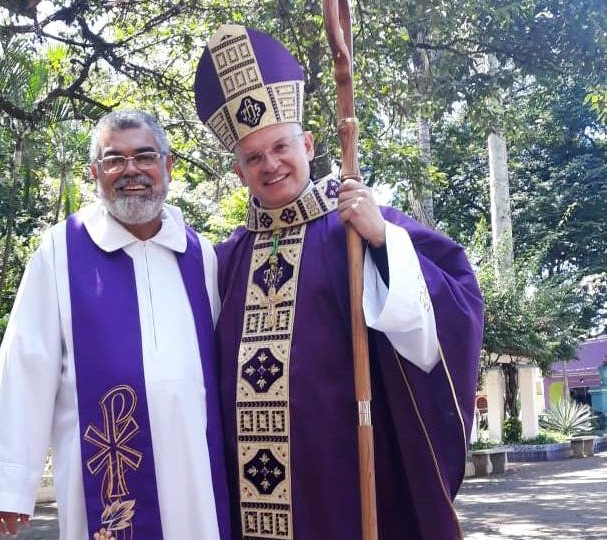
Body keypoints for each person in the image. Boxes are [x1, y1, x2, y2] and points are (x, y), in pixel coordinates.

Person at [194, 25, 483, 540]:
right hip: (250, 498)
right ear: (239, 173)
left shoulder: (356, 227)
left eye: (280, 146)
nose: (271, 164)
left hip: (346, 482)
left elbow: (455, 305)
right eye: (254, 157)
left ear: (307, 144)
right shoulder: (225, 261)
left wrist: (382, 244)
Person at [0, 110, 231, 539]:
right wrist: (9, 483)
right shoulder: (62, 250)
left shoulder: (199, 255)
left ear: (168, 167)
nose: (131, 170)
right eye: (115, 160)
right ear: (95, 173)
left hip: (195, 473)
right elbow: (25, 363)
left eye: (145, 156)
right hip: (109, 474)